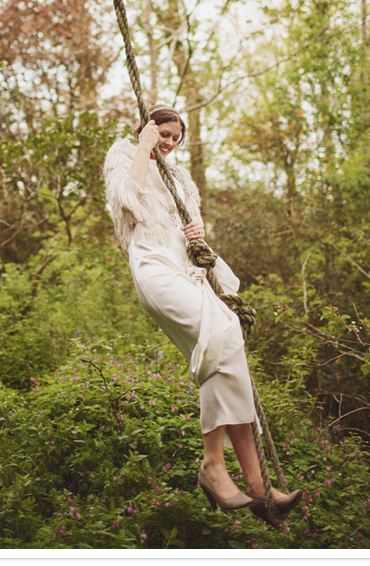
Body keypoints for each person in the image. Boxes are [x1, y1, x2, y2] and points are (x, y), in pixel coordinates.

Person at [103, 103, 303, 525]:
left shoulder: (181, 179)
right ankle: (212, 465)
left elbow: (187, 230)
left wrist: (195, 232)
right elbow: (126, 200)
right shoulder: (125, 154)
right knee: (223, 334)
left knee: (229, 353)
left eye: (175, 138)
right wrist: (143, 148)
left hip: (186, 268)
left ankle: (256, 485)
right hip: (154, 267)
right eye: (163, 134)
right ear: (146, 129)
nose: (169, 143)